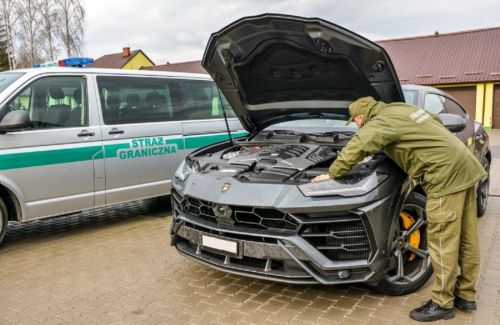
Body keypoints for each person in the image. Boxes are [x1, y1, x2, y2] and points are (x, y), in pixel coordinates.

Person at [312, 96, 486, 322]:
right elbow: (433, 120)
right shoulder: (401, 109)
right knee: (466, 238)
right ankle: (466, 295)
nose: (355, 125)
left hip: (444, 176)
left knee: (443, 241)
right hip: (464, 166)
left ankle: (442, 303)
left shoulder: (380, 121)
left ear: (361, 117)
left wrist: (332, 173)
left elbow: (359, 144)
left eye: (354, 122)